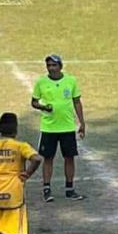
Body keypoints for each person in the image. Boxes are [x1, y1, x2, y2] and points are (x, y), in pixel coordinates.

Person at [31, 55, 86, 202]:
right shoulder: (41, 82)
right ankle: (47, 189)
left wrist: (82, 123)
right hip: (49, 128)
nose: (51, 68)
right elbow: (34, 102)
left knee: (69, 157)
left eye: (54, 65)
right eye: (48, 65)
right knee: (48, 158)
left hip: (67, 127)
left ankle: (69, 188)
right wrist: (44, 107)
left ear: (60, 66)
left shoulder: (71, 81)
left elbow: (77, 102)